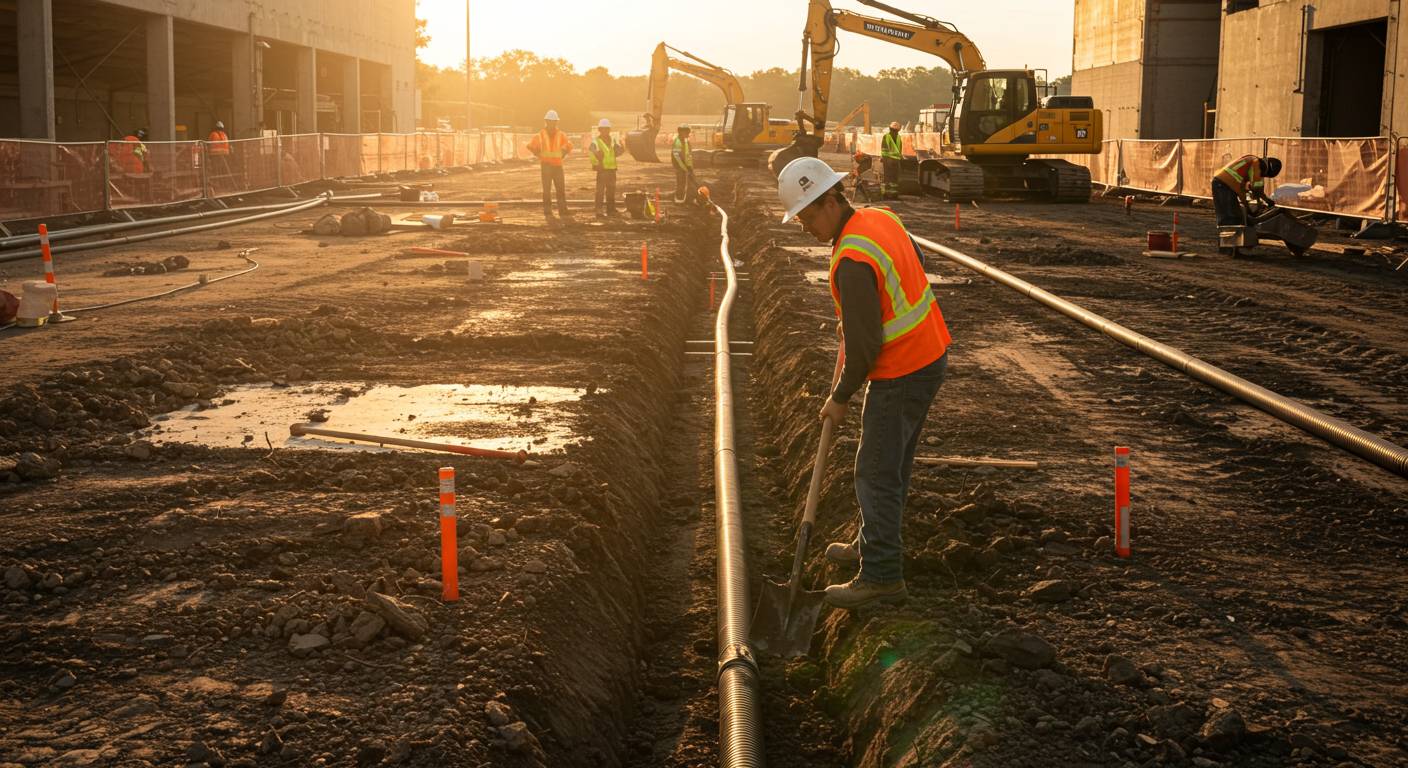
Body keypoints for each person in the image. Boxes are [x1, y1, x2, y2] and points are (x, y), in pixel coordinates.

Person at [777, 156, 952, 610]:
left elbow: (867, 349)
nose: (805, 227)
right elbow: (916, 258)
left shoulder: (852, 259)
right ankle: (871, 544)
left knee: (874, 473)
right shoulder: (879, 217)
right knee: (889, 465)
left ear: (832, 199)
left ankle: (881, 576)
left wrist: (838, 398)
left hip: (901, 370)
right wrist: (862, 315)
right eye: (799, 219)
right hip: (929, 354)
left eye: (808, 216)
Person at [527, 109, 573, 224]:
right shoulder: (541, 135)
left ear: (556, 122)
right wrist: (537, 152)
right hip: (546, 165)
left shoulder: (561, 135)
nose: (552, 123)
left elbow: (569, 145)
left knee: (560, 189)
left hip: (557, 166)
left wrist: (564, 151)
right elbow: (530, 146)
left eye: (554, 121)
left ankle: (562, 210)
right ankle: (548, 211)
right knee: (547, 190)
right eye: (550, 121)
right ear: (546, 121)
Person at [1212, 154, 1281, 227]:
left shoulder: (1250, 160)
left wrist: (1246, 206)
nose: (1262, 176)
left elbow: (1244, 190)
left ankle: (1230, 233)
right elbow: (1256, 189)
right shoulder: (1256, 163)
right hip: (1224, 183)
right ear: (1266, 169)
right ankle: (1232, 235)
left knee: (1229, 214)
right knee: (1230, 217)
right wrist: (1267, 201)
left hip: (1221, 182)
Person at [590, 118, 625, 218]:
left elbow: (617, 153)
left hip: (612, 169)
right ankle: (599, 210)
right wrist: (596, 164)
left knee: (611, 190)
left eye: (607, 129)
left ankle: (611, 209)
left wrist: (622, 148)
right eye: (603, 129)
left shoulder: (613, 140)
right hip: (602, 170)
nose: (605, 131)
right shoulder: (596, 142)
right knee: (600, 191)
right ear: (600, 130)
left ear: (609, 130)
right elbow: (591, 154)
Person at [672, 124, 695, 204]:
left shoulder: (685, 141)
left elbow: (688, 155)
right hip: (680, 166)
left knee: (685, 183)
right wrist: (685, 167)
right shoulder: (678, 141)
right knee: (680, 184)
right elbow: (677, 157)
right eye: (687, 132)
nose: (688, 134)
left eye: (688, 132)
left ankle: (683, 199)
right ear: (681, 132)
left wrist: (690, 167)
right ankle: (678, 200)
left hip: (685, 166)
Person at [881, 121, 904, 199]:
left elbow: (884, 150)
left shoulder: (887, 136)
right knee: (893, 179)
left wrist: (885, 158)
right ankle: (892, 195)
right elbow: (899, 149)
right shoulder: (897, 137)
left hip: (889, 160)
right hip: (893, 160)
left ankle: (888, 194)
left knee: (889, 178)